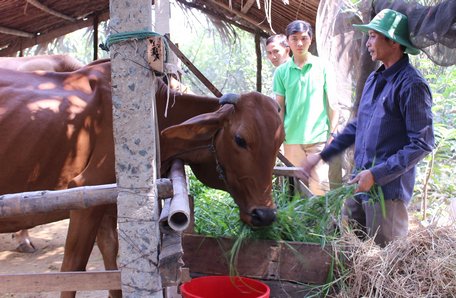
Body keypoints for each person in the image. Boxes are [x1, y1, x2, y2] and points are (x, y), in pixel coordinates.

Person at [298, 9, 434, 247]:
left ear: (392, 41)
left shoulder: (412, 85)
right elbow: (357, 126)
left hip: (387, 195)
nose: (367, 43)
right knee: (348, 253)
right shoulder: (374, 79)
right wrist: (321, 156)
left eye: (373, 36)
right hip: (359, 184)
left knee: (385, 264)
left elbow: (421, 144)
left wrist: (376, 174)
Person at [273, 20, 339, 195]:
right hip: (291, 139)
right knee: (297, 191)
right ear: (288, 42)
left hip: (318, 139)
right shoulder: (281, 72)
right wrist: (279, 136)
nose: (299, 43)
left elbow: (333, 104)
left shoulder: (323, 66)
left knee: (320, 188)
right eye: (294, 39)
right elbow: (279, 106)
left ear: (311, 39)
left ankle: (323, 223)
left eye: (304, 38)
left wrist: (332, 134)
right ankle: (299, 223)